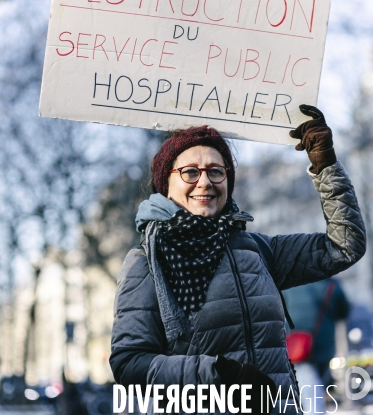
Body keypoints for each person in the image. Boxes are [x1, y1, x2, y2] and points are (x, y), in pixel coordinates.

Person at [110, 105, 366, 414]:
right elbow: (129, 364)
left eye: (216, 171)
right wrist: (220, 373)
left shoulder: (257, 250)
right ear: (166, 183)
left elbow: (345, 245)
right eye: (190, 172)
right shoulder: (146, 262)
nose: (204, 182)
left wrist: (325, 165)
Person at [283, 278, 350, 413]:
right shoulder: (331, 283)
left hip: (297, 345)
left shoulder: (288, 283)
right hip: (324, 346)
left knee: (308, 389)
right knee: (319, 388)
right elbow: (344, 310)